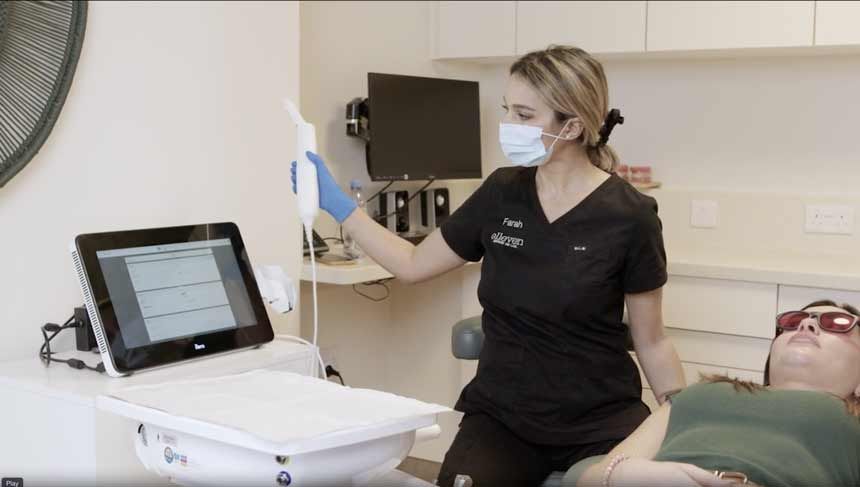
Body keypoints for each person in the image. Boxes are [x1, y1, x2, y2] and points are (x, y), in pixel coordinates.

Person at [291, 45, 685, 487]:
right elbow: (413, 262)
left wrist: (682, 414)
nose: (508, 127)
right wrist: (340, 206)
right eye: (508, 111)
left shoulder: (630, 215)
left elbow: (652, 341)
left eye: (523, 114)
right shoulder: (501, 192)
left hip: (600, 419)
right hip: (503, 418)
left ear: (571, 126)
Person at [576, 300, 860, 487]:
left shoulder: (853, 420)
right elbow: (588, 477)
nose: (805, 324)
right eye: (793, 320)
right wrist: (624, 475)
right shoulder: (700, 394)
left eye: (836, 323)